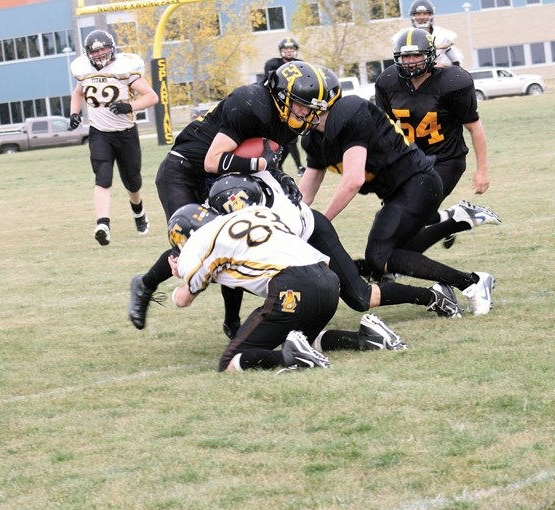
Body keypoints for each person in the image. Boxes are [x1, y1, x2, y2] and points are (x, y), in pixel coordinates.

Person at [128, 61, 338, 334]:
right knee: (198, 244)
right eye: (303, 106)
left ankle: (232, 322)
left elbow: (259, 154)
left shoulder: (288, 120)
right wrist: (262, 166)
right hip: (185, 169)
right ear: (283, 96)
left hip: (223, 178)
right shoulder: (251, 103)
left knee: (237, 241)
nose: (308, 115)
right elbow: (212, 161)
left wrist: (280, 174)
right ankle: (146, 283)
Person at [298, 92, 496, 315]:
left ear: (317, 105)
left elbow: (353, 181)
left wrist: (318, 223)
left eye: (297, 105)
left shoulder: (350, 113)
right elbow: (305, 192)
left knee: (380, 255)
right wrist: (288, 221)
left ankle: (471, 282)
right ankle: (457, 221)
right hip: (397, 193)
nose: (294, 112)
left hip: (418, 182)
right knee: (388, 257)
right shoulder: (313, 139)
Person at [167, 203, 408, 373]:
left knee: (231, 361)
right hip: (328, 277)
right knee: (305, 339)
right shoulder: (251, 212)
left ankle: (291, 359)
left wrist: (181, 275)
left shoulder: (196, 246)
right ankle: (366, 338)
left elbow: (183, 299)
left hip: (292, 285)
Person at [208, 172, 463, 321]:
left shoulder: (273, 221)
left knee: (360, 297)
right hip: (297, 245)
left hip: (313, 234)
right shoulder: (243, 201)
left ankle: (434, 295)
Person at [374, 28, 500, 253]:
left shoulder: (453, 82)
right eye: (406, 56)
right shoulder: (387, 81)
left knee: (409, 218)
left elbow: (474, 127)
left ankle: (390, 266)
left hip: (445, 160)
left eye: (417, 55)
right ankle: (451, 219)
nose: (411, 62)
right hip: (409, 160)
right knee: (392, 217)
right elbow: (384, 129)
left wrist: (482, 170)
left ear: (430, 55)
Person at [69, 29, 159, 246]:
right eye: (95, 51)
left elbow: (152, 96)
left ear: (112, 49)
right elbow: (77, 93)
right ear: (88, 54)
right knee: (102, 177)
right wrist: (74, 113)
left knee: (132, 181)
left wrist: (130, 105)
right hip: (99, 133)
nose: (100, 55)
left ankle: (138, 212)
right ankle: (103, 224)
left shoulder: (124, 70)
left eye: (104, 49)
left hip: (126, 133)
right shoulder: (84, 71)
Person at [263, 37, 306, 176]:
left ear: (295, 51)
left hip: (295, 107)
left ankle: (296, 167)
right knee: (280, 141)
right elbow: (268, 84)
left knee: (291, 140)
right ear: (281, 51)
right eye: (286, 49)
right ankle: (279, 167)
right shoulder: (272, 64)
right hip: (277, 107)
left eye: (291, 49)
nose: (289, 52)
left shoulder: (302, 65)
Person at [392, 0, 463, 68]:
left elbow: (456, 63)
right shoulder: (404, 35)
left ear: (430, 15)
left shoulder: (443, 35)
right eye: (418, 14)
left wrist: (443, 65)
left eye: (425, 14)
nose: (422, 17)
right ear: (413, 16)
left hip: (440, 74)